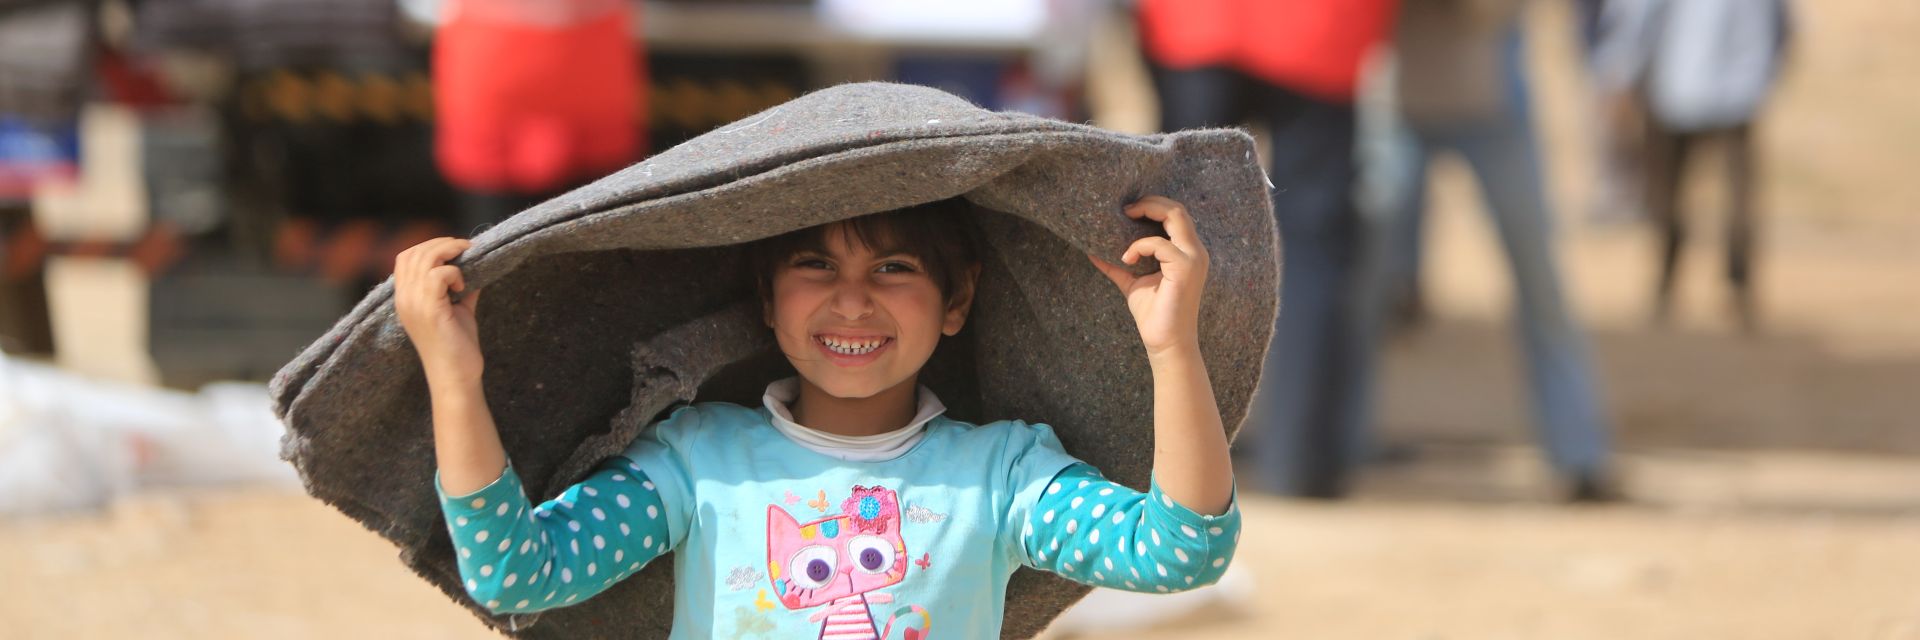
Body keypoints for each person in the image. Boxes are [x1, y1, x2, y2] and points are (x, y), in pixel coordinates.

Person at [392, 196, 1242, 636]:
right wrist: (456, 380)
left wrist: (1172, 351)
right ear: (767, 296)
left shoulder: (1003, 477)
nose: (850, 301)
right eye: (814, 264)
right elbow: (516, 574)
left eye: (894, 266)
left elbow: (1180, 550)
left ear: (958, 301)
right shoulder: (698, 460)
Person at [1135, 0, 1396, 498]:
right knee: (1314, 247)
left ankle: (1151, 454)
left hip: (1195, 24)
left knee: (1169, 229)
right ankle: (1300, 461)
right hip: (1320, 28)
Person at [1362, 0, 1618, 501]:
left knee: (1541, 286)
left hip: (1492, 102)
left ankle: (1581, 454)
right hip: (1394, 104)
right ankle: (1332, 443)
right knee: (1358, 291)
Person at [1592, 0, 1794, 330]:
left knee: (1697, 196)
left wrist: (1620, 73)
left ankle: (1715, 285)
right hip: (1701, 89)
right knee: (1682, 195)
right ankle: (1682, 285)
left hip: (1704, 88)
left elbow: (1636, 17)